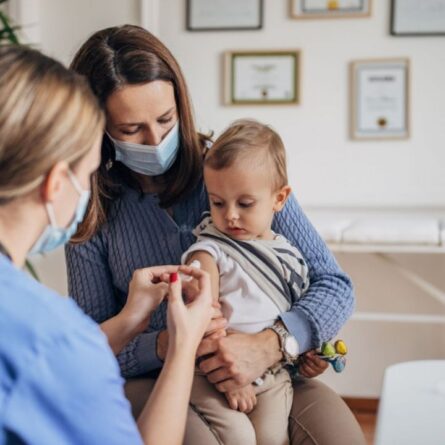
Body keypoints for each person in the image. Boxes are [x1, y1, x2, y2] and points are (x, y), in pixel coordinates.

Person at [66, 25, 366, 444]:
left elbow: (334, 285)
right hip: (154, 379)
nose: (155, 141)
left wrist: (273, 343)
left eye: (166, 119)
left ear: (181, 105)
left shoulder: (238, 176)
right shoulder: (89, 210)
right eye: (132, 129)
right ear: (97, 128)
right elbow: (87, 349)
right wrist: (167, 344)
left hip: (267, 371)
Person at [0, 45, 213, 445]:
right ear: (57, 183)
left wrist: (129, 319)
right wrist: (182, 344)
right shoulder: (52, 335)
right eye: (90, 172)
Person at [182, 119, 322, 445]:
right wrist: (231, 378)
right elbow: (200, 321)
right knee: (237, 436)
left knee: (273, 437)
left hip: (271, 374)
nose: (229, 215)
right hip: (209, 372)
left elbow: (296, 309)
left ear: (279, 198)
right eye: (217, 202)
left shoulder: (289, 255)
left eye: (245, 204)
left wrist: (308, 355)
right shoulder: (208, 252)